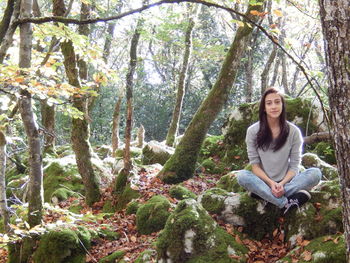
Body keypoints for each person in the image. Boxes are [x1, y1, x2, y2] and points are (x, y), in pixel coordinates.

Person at [236, 88, 322, 214]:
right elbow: (255, 166)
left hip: (288, 180)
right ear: (264, 108)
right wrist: (271, 184)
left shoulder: (293, 131)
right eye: (269, 103)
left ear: (282, 104)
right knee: (242, 176)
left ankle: (263, 194)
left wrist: (281, 184)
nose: (274, 106)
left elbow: (294, 166)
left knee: (315, 173)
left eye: (277, 102)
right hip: (264, 181)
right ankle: (284, 203)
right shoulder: (253, 131)